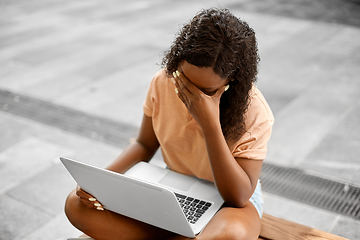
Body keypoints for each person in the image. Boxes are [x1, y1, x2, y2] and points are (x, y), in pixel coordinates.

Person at [64, 8, 274, 240]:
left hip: (229, 204)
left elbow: (238, 196)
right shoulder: (163, 81)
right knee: (76, 205)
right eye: (184, 80)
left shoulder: (254, 110)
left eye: (207, 91)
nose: (190, 95)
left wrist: (210, 124)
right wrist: (99, 182)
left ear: (232, 80)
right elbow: (144, 144)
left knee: (231, 235)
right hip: (174, 190)